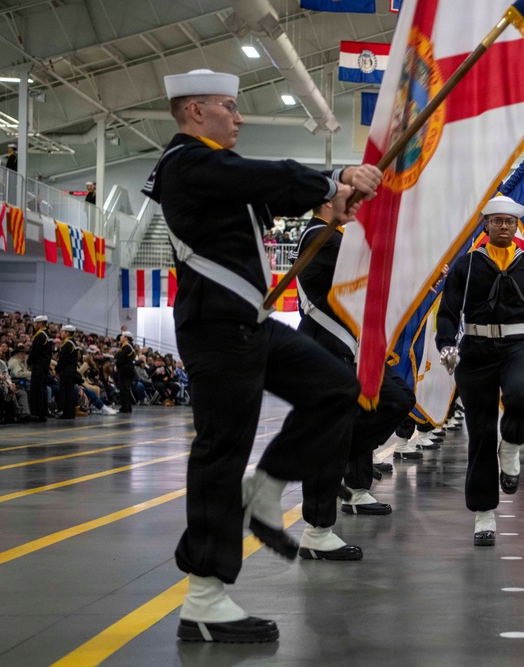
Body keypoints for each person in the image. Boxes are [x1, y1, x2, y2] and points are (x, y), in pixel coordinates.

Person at [142, 67, 382, 643]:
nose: (240, 115)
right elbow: (262, 176)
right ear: (195, 111)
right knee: (220, 453)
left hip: (250, 324)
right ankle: (204, 597)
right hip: (216, 330)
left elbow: (263, 198)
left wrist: (332, 204)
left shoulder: (213, 175)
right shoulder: (187, 163)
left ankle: (268, 487)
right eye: (229, 106)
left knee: (335, 389)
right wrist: (333, 179)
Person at [436, 195, 524, 547]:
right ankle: (484, 514)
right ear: (485, 225)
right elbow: (448, 310)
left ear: (517, 228)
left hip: (519, 346)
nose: (504, 227)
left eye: (510, 222)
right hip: (475, 350)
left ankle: (513, 447)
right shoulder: (467, 265)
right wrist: (446, 345)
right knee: (482, 432)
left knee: (520, 395)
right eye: (497, 221)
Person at [292, 199, 415, 515]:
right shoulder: (321, 236)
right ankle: (319, 527)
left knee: (394, 400)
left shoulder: (335, 237)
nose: (356, 207)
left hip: (347, 344)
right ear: (327, 203)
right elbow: (373, 263)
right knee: (337, 423)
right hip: (326, 344)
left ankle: (354, 482)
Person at [27, 315, 53, 421]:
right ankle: (43, 412)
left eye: (36, 323)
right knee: (43, 388)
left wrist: (29, 362)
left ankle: (37, 413)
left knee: (36, 389)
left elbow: (34, 352)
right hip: (45, 365)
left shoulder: (40, 336)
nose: (35, 325)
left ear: (40, 324)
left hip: (38, 366)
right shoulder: (48, 335)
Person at [57, 325, 80, 420]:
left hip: (66, 372)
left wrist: (57, 369)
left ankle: (67, 413)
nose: (61, 334)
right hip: (71, 371)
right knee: (69, 393)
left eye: (63, 332)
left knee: (65, 393)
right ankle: (70, 413)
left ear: (67, 333)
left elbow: (62, 359)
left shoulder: (67, 345)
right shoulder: (73, 343)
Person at [114, 331, 136, 413]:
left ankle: (125, 407)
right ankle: (126, 406)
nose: (120, 337)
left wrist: (117, 365)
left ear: (126, 338)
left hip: (125, 369)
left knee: (124, 388)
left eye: (122, 336)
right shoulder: (125, 346)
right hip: (126, 369)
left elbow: (120, 358)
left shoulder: (127, 347)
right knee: (124, 388)